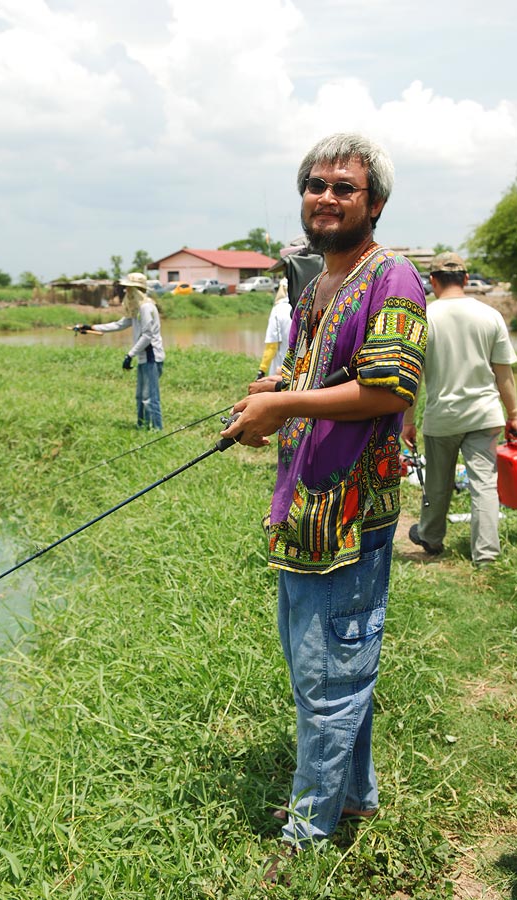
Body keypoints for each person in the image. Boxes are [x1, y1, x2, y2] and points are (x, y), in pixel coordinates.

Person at [220, 133, 427, 868]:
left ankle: (306, 838)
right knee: (335, 671)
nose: (326, 197)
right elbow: (313, 371)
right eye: (315, 184)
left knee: (327, 679)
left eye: (344, 186)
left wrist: (283, 409)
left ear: (373, 202)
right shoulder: (315, 284)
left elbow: (387, 387)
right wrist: (272, 393)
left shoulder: (391, 276)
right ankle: (354, 795)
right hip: (305, 511)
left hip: (350, 517)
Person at [402, 251, 517, 565]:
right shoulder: (490, 315)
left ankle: (431, 537)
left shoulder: (424, 317)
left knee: (438, 485)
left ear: (433, 281)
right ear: (466, 280)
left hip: (443, 418)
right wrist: (514, 415)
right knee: (484, 485)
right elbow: (503, 373)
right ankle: (487, 555)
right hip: (485, 415)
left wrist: (407, 421)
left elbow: (414, 378)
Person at [77, 272, 165, 430]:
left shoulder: (146, 308)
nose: (126, 292)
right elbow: (119, 324)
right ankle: (142, 427)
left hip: (152, 357)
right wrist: (90, 327)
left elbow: (147, 336)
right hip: (144, 358)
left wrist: (130, 355)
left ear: (136, 290)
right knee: (140, 396)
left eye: (128, 289)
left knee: (150, 398)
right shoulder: (137, 309)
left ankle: (157, 430)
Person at [255, 277, 292, 381]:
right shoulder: (303, 307)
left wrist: (262, 370)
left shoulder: (278, 310)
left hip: (280, 369)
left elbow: (272, 345)